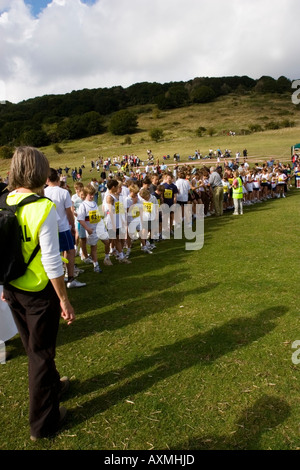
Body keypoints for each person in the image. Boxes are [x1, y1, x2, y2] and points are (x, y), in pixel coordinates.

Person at [1, 146, 75, 440]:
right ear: (41, 173)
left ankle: (54, 385)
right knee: (40, 354)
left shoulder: (4, 201)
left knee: (34, 345)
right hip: (37, 291)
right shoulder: (41, 207)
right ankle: (44, 423)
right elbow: (52, 261)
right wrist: (64, 299)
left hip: (12, 287)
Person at [45, 168, 86, 288]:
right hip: (63, 227)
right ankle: (70, 278)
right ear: (58, 179)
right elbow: (69, 212)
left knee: (53, 253)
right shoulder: (64, 192)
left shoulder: (43, 192)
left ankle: (54, 279)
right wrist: (72, 225)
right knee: (69, 251)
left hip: (49, 228)